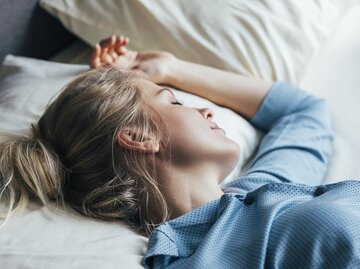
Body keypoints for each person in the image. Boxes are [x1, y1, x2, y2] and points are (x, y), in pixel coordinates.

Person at [0, 35, 359, 268]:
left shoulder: (261, 189)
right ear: (139, 137)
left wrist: (170, 69)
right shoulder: (196, 257)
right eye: (174, 100)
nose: (207, 110)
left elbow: (304, 111)